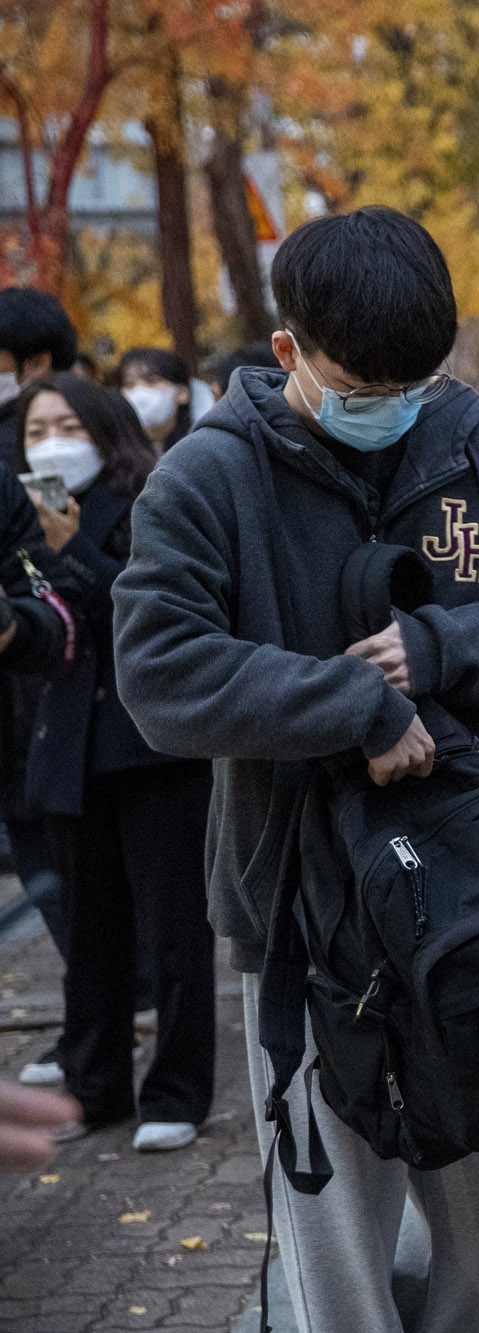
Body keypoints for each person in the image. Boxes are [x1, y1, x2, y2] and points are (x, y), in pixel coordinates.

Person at [112, 205, 479, 1333]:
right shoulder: (207, 477)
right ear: (287, 354)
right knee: (337, 1244)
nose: (392, 405)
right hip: (296, 910)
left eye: (414, 379)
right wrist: (354, 703)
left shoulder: (474, 439)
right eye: (361, 382)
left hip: (474, 893)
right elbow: (159, 672)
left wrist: (437, 648)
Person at [17, 374, 216, 1152]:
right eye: (35, 431)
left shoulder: (145, 502)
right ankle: (94, 1084)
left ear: (104, 431)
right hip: (67, 749)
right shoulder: (21, 518)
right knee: (87, 931)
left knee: (173, 933)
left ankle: (177, 1088)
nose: (50, 443)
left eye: (66, 424)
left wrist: (71, 552)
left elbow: (148, 611)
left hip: (151, 751)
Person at [0, 286, 78, 1081]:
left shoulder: (40, 459)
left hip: (44, 698)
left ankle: (108, 1009)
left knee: (55, 858)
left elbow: (57, 583)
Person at [116, 347, 196, 449]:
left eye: (152, 381)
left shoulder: (200, 447)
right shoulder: (117, 454)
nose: (139, 392)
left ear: (182, 393)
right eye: (130, 384)